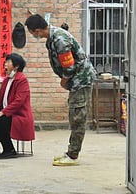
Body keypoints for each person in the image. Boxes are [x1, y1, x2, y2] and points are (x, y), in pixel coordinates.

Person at [25, 14, 96, 166]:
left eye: (32, 33)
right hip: (76, 80)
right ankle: (71, 151)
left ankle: (73, 155)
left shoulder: (59, 40)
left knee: (78, 117)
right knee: (74, 115)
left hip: (80, 80)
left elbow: (69, 67)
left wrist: (64, 82)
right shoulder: (52, 37)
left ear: (37, 31)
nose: (33, 36)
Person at [0, 53, 35, 159]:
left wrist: (1, 113)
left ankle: (9, 149)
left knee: (1, 119)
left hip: (19, 115)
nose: (5, 64)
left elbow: (19, 102)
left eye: (8, 62)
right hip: (7, 112)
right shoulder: (7, 80)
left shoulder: (22, 80)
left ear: (16, 66)